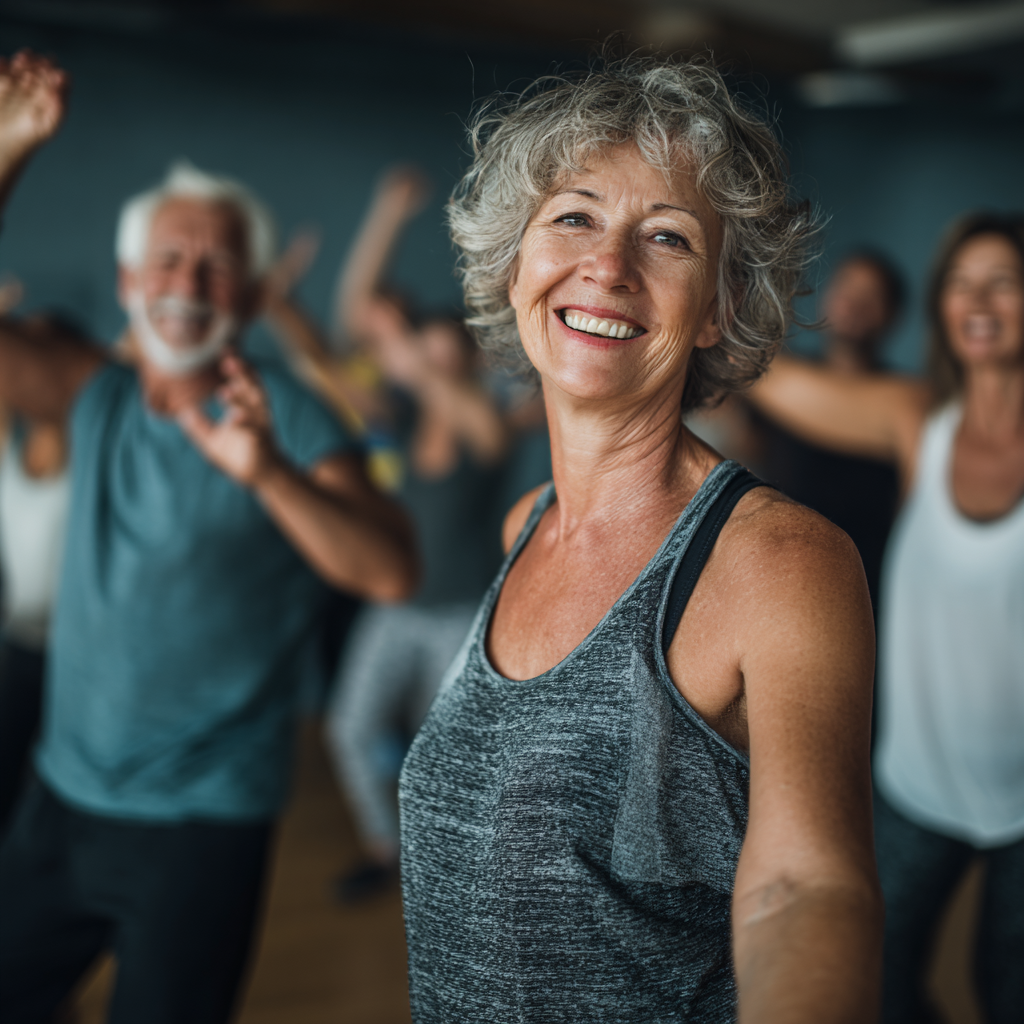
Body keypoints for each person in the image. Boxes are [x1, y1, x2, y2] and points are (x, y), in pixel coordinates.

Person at [399, 54, 882, 1022]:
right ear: (515, 263)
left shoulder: (781, 564)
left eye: (667, 237)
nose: (608, 267)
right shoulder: (526, 524)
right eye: (574, 217)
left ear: (717, 309)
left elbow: (805, 891)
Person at [0, 52, 417, 1024]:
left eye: (217, 264)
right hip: (62, 800)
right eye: (168, 258)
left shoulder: (291, 420)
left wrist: (266, 472)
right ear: (126, 281)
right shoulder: (92, 393)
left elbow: (391, 570)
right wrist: (9, 148)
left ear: (255, 293)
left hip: (202, 825)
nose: (187, 282)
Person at [750, 212, 1024, 1023]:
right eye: (961, 284)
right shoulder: (919, 422)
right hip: (913, 782)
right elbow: (766, 376)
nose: (978, 302)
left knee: (1009, 992)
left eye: (1003, 282)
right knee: (880, 978)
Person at [266, 168, 509, 901]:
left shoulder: (486, 424)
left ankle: (456, 865)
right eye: (420, 351)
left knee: (453, 751)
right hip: (396, 607)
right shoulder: (395, 422)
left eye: (439, 351)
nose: (423, 361)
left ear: (466, 358)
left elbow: (476, 420)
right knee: (348, 727)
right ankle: (384, 847)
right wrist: (278, 306)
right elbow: (324, 360)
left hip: (462, 617)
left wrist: (414, 358)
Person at [750, 252, 904, 613]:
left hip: (867, 585)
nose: (855, 301)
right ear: (826, 296)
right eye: (846, 288)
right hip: (779, 577)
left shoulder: (905, 401)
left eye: (871, 294)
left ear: (892, 314)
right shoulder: (782, 381)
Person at [0, 311, 75, 837]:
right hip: (18, 642)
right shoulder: (11, 438)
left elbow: (127, 355)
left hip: (72, 652)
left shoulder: (92, 444)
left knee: (55, 792)